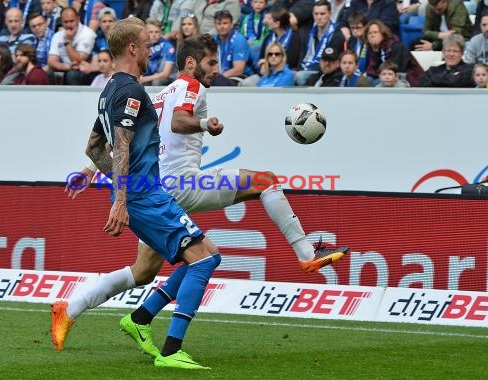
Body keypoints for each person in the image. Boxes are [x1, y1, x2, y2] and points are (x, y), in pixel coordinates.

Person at [51, 33, 349, 366]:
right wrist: (208, 124)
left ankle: (87, 310)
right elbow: (178, 123)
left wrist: (88, 169)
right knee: (265, 182)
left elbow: (121, 134)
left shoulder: (159, 93)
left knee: (145, 270)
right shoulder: (191, 87)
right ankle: (305, 253)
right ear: (191, 63)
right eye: (210, 62)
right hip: (185, 184)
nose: (215, 69)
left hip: (157, 188)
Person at [52, 20, 224, 370]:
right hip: (146, 194)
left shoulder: (109, 90)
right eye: (146, 44)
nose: (150, 50)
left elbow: (93, 147)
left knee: (206, 255)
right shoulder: (131, 92)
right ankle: (171, 349)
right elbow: (122, 148)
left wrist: (120, 190)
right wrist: (122, 198)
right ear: (132, 48)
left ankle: (142, 318)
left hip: (143, 193)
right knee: (204, 260)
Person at [296, 0, 345, 86]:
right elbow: (302, 56)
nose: (319, 17)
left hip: (325, 71)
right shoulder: (309, 33)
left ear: (330, 14)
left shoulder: (337, 35)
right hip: (306, 68)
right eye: (316, 14)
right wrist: (299, 69)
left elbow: (331, 61)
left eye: (322, 14)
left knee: (300, 76)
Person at [47, 7, 96, 85]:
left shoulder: (88, 34)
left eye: (72, 21)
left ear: (78, 19)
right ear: (62, 22)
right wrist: (68, 67)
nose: (69, 25)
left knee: (72, 75)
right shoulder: (57, 35)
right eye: (66, 22)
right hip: (66, 67)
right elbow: (51, 61)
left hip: (83, 69)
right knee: (48, 73)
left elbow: (78, 60)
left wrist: (67, 42)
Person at [358, 19, 409, 85]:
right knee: (364, 81)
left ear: (383, 34)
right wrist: (375, 51)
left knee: (373, 82)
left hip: (401, 79)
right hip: (382, 77)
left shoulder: (396, 46)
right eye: (370, 33)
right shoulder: (371, 47)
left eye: (375, 32)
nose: (372, 35)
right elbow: (371, 70)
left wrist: (372, 73)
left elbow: (394, 71)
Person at [213, 9, 254, 84]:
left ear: (231, 24)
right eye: (219, 23)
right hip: (221, 76)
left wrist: (219, 77)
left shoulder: (239, 40)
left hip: (240, 77)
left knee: (218, 82)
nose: (222, 26)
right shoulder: (213, 40)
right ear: (215, 25)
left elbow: (238, 70)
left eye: (225, 23)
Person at [140, 17, 175, 85]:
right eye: (150, 32)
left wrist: (144, 79)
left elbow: (166, 73)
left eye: (157, 32)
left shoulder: (168, 46)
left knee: (156, 82)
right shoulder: (142, 46)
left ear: (161, 32)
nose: (154, 35)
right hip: (149, 77)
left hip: (166, 79)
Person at [240, 0, 270, 66]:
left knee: (253, 49)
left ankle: (257, 68)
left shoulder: (267, 19)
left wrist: (252, 43)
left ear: (266, 5)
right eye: (255, 2)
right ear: (251, 4)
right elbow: (242, 35)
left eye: (261, 2)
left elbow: (266, 39)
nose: (258, 4)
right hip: (247, 44)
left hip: (260, 47)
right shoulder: (246, 18)